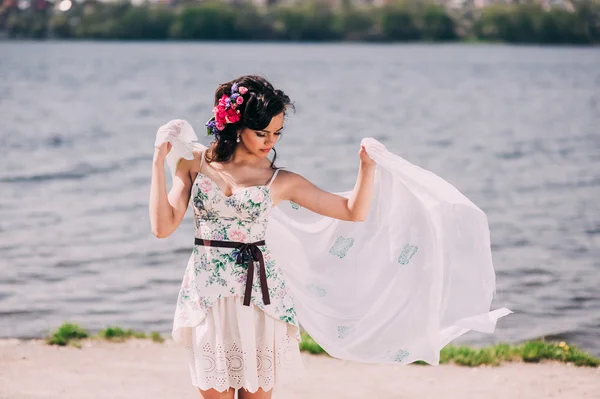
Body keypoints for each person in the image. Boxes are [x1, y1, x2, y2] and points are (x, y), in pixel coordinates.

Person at [150, 75, 511, 399]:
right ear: (237, 124)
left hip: (259, 298)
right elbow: (162, 227)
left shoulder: (282, 180)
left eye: (277, 133)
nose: (269, 142)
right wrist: (157, 162)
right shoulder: (194, 165)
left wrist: (366, 167)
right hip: (206, 296)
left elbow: (352, 211)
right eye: (262, 132)